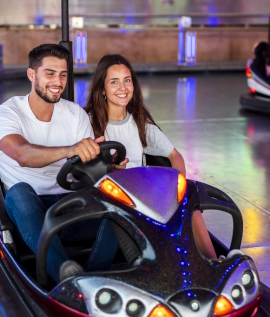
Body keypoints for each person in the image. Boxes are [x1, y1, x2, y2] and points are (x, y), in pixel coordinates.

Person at [0, 43, 120, 283]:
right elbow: (23, 154)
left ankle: (92, 278)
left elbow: (85, 167)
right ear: (31, 75)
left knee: (120, 204)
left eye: (63, 74)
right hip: (30, 212)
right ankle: (64, 272)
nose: (58, 81)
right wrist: (69, 150)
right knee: (19, 193)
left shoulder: (75, 113)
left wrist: (106, 167)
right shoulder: (8, 113)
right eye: (50, 73)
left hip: (70, 205)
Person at [84, 54, 217, 261]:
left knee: (190, 196)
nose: (123, 87)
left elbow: (175, 156)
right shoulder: (87, 123)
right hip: (107, 199)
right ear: (102, 89)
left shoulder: (139, 123)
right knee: (117, 213)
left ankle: (212, 261)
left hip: (142, 197)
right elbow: (80, 169)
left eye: (127, 80)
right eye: (114, 82)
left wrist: (177, 189)